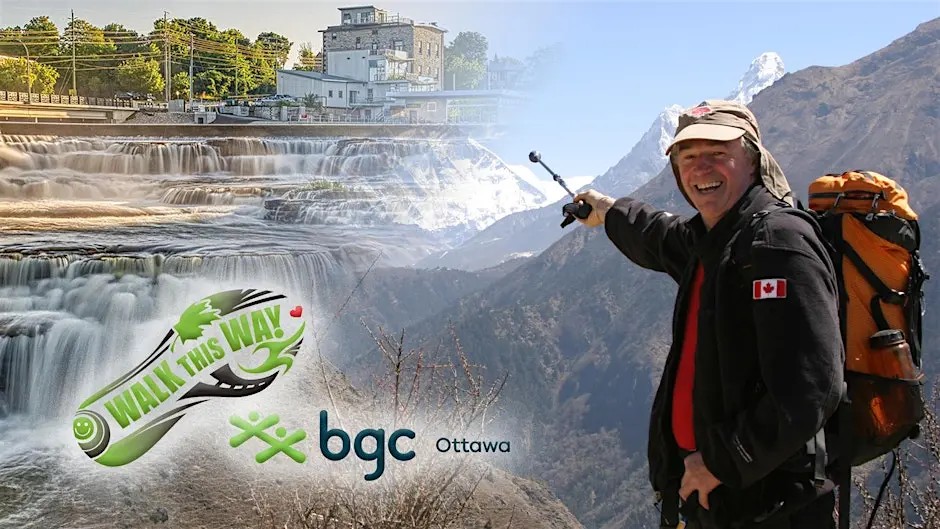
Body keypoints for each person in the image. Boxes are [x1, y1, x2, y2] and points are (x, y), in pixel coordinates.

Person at [573, 100, 844, 529]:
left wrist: (722, 461)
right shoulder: (713, 241)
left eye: (718, 154)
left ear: (752, 161)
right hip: (720, 500)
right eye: (688, 157)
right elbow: (657, 235)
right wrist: (607, 210)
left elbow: (811, 389)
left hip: (770, 506)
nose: (701, 169)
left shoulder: (777, 244)